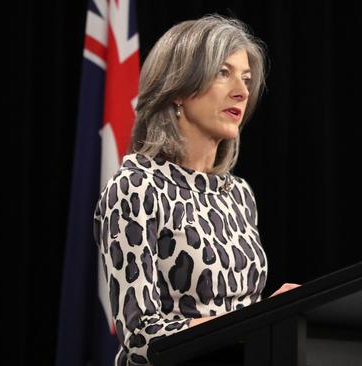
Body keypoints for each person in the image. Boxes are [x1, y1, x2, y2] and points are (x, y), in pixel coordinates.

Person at [93, 15, 298, 365]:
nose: (242, 90)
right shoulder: (136, 186)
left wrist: (274, 311)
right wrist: (261, 317)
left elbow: (243, 321)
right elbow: (143, 339)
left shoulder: (238, 194)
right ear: (178, 89)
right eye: (223, 72)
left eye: (246, 79)